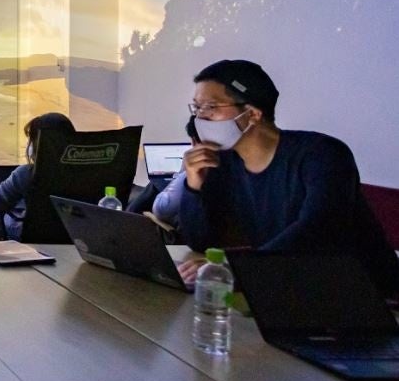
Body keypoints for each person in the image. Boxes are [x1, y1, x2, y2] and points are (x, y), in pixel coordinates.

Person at [171, 60, 399, 295]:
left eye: (210, 107)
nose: (200, 118)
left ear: (252, 114)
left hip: (363, 293)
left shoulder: (322, 154)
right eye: (196, 108)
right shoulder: (224, 161)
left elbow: (317, 232)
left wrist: (237, 269)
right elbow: (200, 241)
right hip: (287, 287)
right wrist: (193, 185)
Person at [0, 112, 75, 240]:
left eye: (31, 139)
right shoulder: (89, 173)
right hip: (75, 238)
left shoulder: (26, 174)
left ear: (38, 143)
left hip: (35, 240)